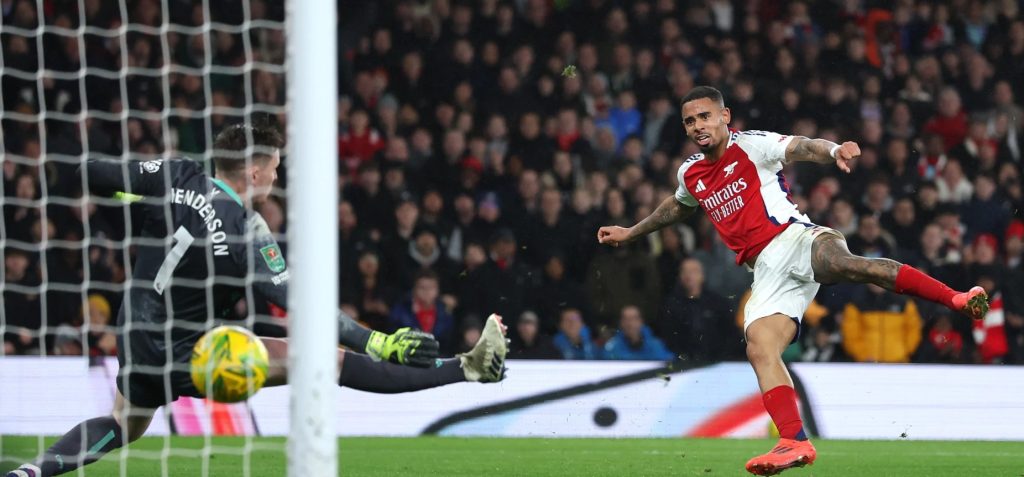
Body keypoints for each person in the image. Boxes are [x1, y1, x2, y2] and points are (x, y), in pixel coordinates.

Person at [6, 124, 508, 477]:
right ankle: (466, 368)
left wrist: (125, 198)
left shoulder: (176, 176)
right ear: (253, 170)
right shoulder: (246, 230)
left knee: (122, 424)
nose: (276, 176)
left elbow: (93, 173)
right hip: (190, 352)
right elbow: (299, 303)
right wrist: (377, 339)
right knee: (324, 359)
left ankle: (34, 471)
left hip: (136, 337)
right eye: (274, 167)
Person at [596, 86, 989, 476]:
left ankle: (957, 298)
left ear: (724, 116)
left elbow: (802, 146)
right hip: (765, 271)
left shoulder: (751, 145)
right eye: (690, 121)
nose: (698, 125)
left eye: (705, 116)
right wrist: (631, 232)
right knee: (759, 347)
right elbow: (677, 205)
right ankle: (794, 440)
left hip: (795, 238)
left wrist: (834, 151)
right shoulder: (691, 173)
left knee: (850, 265)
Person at [602, 305, 674, 361]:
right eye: (626, 319)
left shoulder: (656, 346)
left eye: (634, 318)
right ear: (621, 323)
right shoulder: (611, 348)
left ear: (641, 321)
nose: (630, 323)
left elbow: (669, 367)